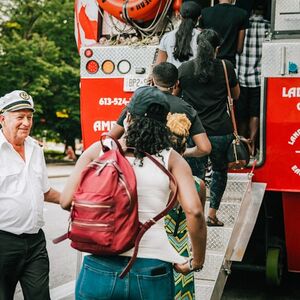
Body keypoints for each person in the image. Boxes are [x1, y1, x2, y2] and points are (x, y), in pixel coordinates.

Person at [60, 86, 207, 300]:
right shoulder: (173, 159)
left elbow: (66, 201)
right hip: (152, 270)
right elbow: (194, 211)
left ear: (128, 117)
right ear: (163, 124)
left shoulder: (99, 150)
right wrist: (196, 262)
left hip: (99, 265)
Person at [0, 90, 61, 300]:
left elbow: (45, 191)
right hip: (3, 242)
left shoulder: (36, 148)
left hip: (35, 243)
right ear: (3, 119)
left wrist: (73, 200)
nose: (26, 122)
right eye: (20, 117)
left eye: (29, 117)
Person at [178, 29, 240, 226]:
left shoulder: (185, 69)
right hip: (221, 131)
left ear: (197, 46)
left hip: (195, 133)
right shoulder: (226, 67)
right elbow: (236, 95)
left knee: (196, 176)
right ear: (217, 48)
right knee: (220, 172)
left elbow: (177, 95)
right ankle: (212, 215)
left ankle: (196, 214)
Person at [110, 62, 211, 161]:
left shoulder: (139, 102)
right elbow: (205, 148)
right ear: (177, 83)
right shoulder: (186, 109)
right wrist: (181, 153)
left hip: (137, 161)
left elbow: (111, 137)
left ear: (153, 80)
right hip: (168, 166)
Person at [165, 112, 203, 299]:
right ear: (184, 148)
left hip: (154, 251)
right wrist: (196, 262)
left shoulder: (152, 180)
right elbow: (196, 224)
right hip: (181, 258)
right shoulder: (197, 185)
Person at [235, 2, 270, 157]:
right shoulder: (268, 27)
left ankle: (242, 148)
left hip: (241, 77)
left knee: (241, 114)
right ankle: (253, 144)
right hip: (258, 78)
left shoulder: (242, 26)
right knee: (255, 112)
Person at [199, 0, 249, 67]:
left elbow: (201, 42)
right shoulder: (242, 14)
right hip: (228, 65)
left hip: (207, 64)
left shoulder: (204, 12)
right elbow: (239, 49)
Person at [156, 1, 202, 67]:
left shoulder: (167, 37)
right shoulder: (202, 37)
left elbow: (159, 65)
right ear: (199, 17)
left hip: (173, 76)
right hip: (195, 76)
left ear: (179, 16)